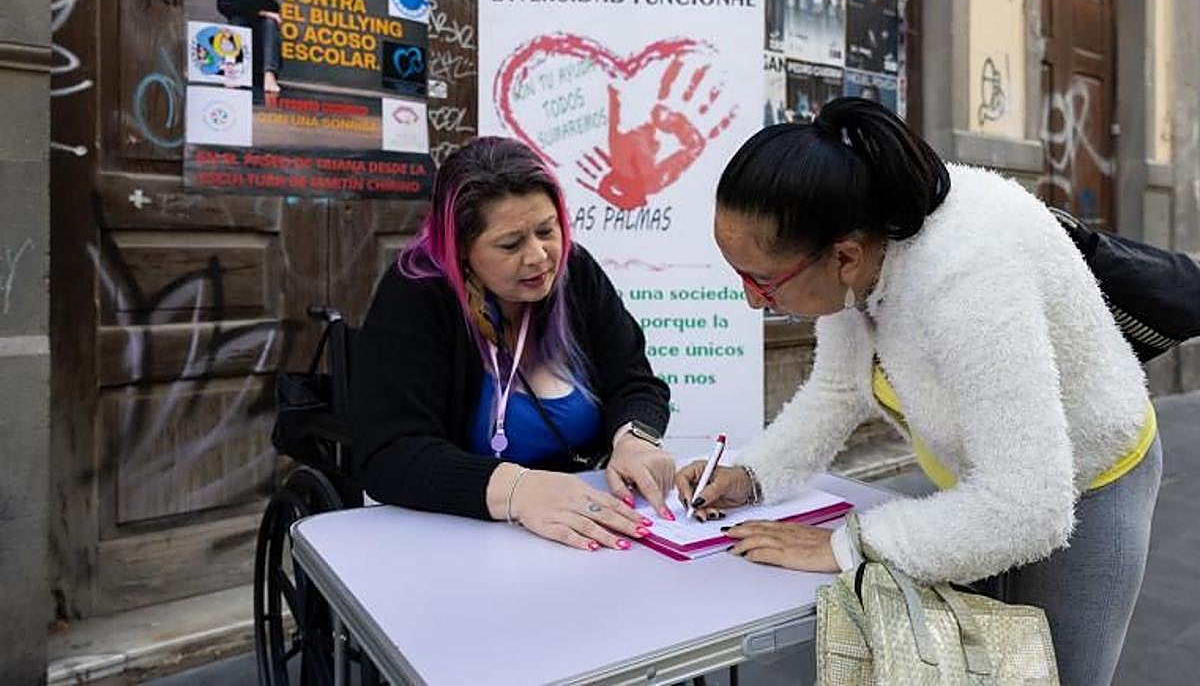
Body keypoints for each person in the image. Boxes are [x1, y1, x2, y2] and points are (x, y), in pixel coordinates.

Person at [676, 98, 1160, 685]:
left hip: (1087, 480)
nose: (751, 299)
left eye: (761, 280)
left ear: (845, 257)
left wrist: (845, 546)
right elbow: (837, 389)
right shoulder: (855, 241)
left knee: (1052, 674)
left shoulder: (969, 284)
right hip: (990, 480)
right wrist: (752, 477)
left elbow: (1028, 507)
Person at [352, 137, 676, 552]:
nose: (540, 257)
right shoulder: (418, 295)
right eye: (510, 244)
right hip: (458, 538)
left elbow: (634, 381)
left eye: (547, 230)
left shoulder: (575, 272)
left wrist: (635, 439)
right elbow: (389, 453)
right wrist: (520, 490)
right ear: (461, 249)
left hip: (583, 522)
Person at [217, 0, 283, 94]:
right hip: (238, 65)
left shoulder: (271, 4)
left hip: (259, 69)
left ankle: (269, 75)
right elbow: (223, 6)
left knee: (269, 23)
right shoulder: (264, 7)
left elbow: (236, 5)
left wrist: (233, 0)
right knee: (237, 20)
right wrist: (263, 12)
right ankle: (233, 73)